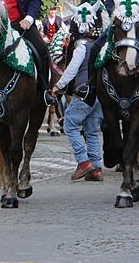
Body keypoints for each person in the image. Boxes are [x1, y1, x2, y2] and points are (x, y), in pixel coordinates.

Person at [50, 31, 105, 181]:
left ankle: (84, 162)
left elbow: (71, 70)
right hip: (101, 94)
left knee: (70, 124)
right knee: (91, 130)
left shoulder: (83, 48)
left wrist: (58, 86)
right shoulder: (104, 47)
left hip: (85, 92)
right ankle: (96, 168)